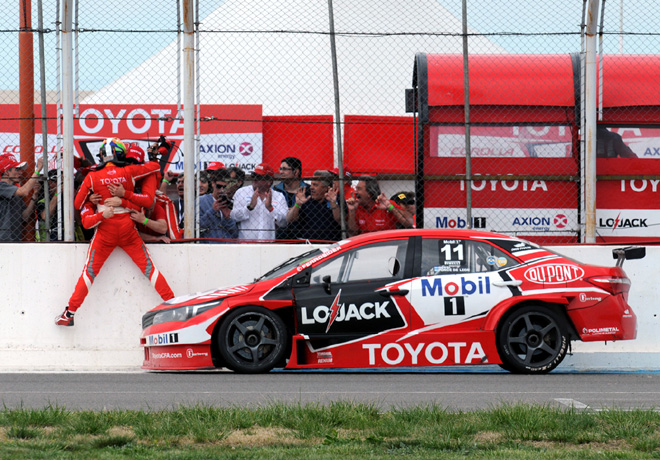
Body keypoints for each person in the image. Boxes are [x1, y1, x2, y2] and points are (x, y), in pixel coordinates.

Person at [55, 138, 174, 326]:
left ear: (101, 155)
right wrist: (154, 154)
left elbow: (77, 204)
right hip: (128, 227)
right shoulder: (128, 171)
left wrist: (93, 200)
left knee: (89, 273)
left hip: (105, 229)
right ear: (121, 154)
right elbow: (152, 168)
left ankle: (69, 314)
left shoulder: (92, 177)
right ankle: (173, 305)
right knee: (150, 269)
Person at [230, 163, 288, 241]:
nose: (255, 179)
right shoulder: (241, 192)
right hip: (245, 246)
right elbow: (233, 217)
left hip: (268, 246)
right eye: (254, 175)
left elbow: (284, 223)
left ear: (269, 181)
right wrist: (249, 207)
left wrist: (271, 208)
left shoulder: (279, 196)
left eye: (259, 177)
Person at [346, 176, 413, 236]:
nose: (355, 192)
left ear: (369, 193)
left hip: (386, 246)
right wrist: (352, 211)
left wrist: (391, 207)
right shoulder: (357, 207)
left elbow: (409, 222)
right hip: (365, 248)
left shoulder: (386, 204)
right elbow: (353, 233)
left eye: (359, 189)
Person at [286, 170, 341, 242]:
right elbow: (289, 219)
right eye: (311, 184)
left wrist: (333, 202)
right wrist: (297, 204)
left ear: (326, 188)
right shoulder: (306, 197)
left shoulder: (336, 198)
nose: (311, 187)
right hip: (306, 244)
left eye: (315, 185)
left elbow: (340, 220)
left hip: (330, 244)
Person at [0, 154, 43, 242]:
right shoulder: (1, 186)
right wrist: (38, 170)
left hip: (14, 239)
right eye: (17, 169)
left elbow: (25, 216)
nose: (21, 172)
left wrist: (34, 196)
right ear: (7, 172)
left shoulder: (15, 191)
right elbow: (24, 191)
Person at [198, 169, 239, 243]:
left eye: (225, 187)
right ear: (213, 183)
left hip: (227, 248)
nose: (222, 190)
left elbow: (235, 234)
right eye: (219, 186)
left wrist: (227, 218)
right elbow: (197, 227)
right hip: (209, 247)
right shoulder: (201, 201)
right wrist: (212, 211)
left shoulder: (230, 203)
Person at [274, 157, 309, 240]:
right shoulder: (275, 190)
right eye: (280, 169)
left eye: (285, 169)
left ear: (296, 172)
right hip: (280, 237)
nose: (281, 172)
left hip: (303, 237)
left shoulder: (308, 191)